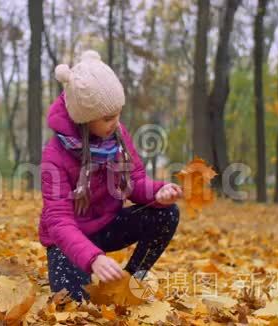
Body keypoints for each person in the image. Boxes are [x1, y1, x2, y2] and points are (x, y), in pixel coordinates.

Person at [38, 50, 183, 301]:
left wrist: (157, 192)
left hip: (107, 226)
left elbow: (134, 181)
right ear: (85, 119)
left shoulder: (117, 134)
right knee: (76, 304)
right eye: (107, 117)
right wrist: (93, 258)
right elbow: (58, 221)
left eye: (118, 113)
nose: (116, 123)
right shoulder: (55, 154)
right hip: (68, 242)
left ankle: (128, 281)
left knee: (167, 213)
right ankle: (89, 274)